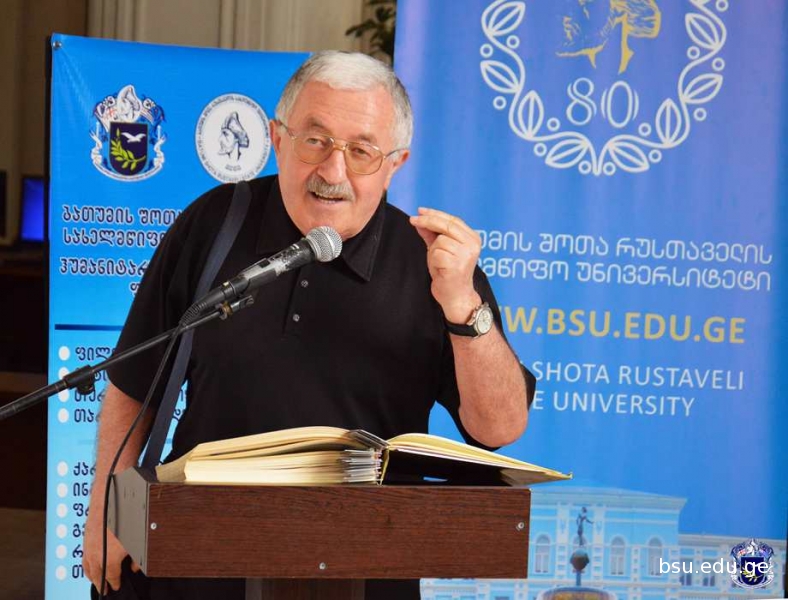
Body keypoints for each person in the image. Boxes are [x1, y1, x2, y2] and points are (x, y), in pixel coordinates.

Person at [83, 50, 532, 600]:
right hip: (198, 559)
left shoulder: (432, 266)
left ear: (395, 163)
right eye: (315, 140)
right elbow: (135, 383)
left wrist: (463, 308)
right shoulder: (214, 223)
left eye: (362, 151)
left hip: (364, 570)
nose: (332, 172)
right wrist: (107, 509)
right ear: (278, 138)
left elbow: (499, 428)